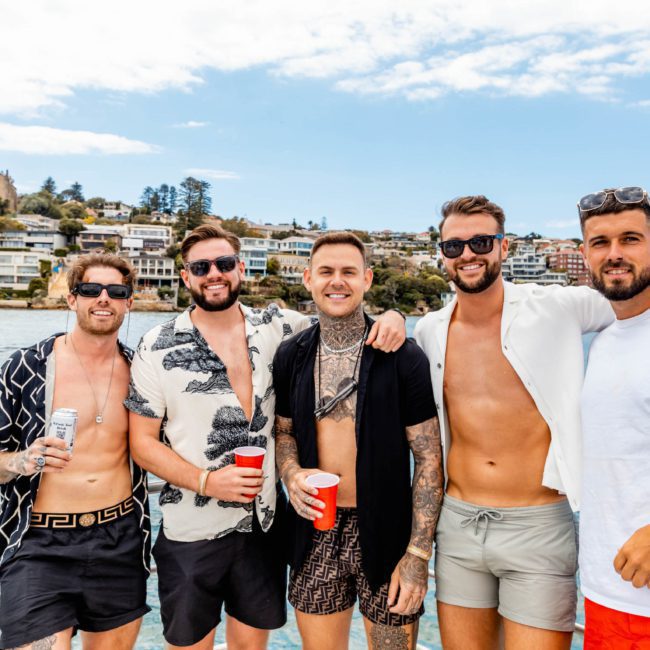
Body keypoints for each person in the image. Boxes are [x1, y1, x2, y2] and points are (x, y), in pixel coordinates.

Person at [126, 224, 405, 650]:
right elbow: (141, 443)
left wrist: (393, 317)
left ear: (240, 268)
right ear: (186, 276)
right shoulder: (156, 345)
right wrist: (206, 482)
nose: (213, 274)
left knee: (251, 644)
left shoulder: (280, 328)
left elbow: (341, 314)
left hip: (264, 525)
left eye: (223, 263)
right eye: (201, 266)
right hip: (191, 528)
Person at [414, 195, 614, 649]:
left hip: (538, 525)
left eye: (482, 241)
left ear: (504, 247)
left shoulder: (559, 307)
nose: (468, 254)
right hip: (459, 524)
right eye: (454, 246)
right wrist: (389, 316)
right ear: (442, 254)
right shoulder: (428, 331)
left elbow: (633, 297)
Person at [273, 231, 443, 650]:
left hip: (387, 540)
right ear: (308, 278)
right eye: (326, 272)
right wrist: (291, 474)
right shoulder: (290, 354)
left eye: (349, 272)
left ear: (367, 279)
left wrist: (418, 556)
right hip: (314, 531)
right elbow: (284, 432)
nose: (337, 281)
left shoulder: (403, 356)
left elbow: (428, 458)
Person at [0, 252, 150, 650]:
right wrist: (21, 460)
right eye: (90, 290)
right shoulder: (25, 367)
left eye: (116, 291)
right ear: (72, 300)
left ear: (129, 302)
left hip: (120, 538)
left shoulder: (143, 374)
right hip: (40, 543)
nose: (103, 298)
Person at [577, 187, 650, 648]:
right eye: (601, 243)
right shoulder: (607, 335)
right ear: (585, 254)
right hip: (606, 592)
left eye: (631, 239)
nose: (615, 254)